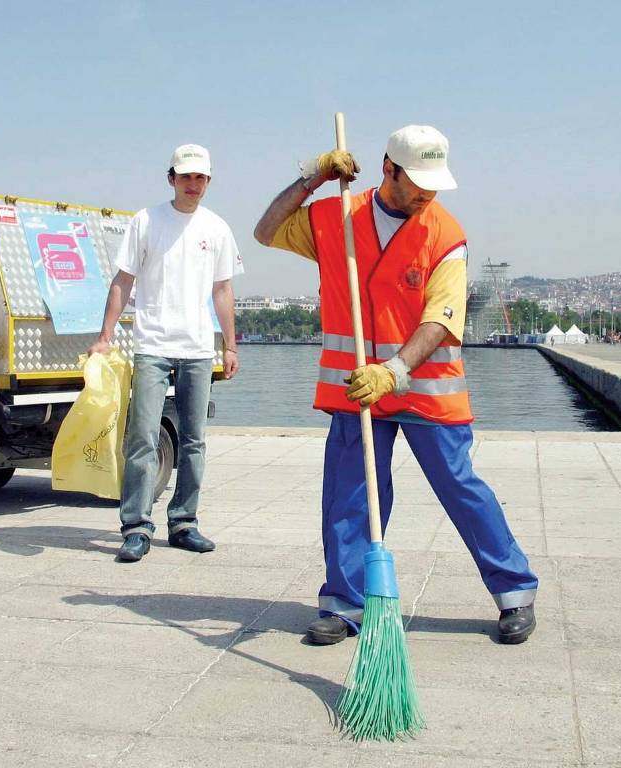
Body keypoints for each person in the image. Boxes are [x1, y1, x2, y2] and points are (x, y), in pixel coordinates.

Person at [254, 125, 538, 645]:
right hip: (357, 388)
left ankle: (515, 591)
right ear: (389, 169)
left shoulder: (445, 234)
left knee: (460, 487)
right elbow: (266, 230)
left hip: (424, 386)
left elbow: (441, 320)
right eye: (419, 182)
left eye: (436, 183)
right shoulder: (337, 217)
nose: (429, 193)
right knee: (350, 495)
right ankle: (344, 604)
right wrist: (312, 176)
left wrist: (394, 371)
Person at [90, 143, 243, 562]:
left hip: (197, 347)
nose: (193, 185)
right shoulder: (146, 221)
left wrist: (229, 345)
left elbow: (223, 290)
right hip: (152, 344)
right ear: (171, 178)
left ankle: (184, 522)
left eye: (200, 178)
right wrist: (106, 335)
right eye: (186, 177)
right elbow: (123, 280)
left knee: (195, 440)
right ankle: (136, 526)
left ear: (208, 181)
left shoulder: (217, 229)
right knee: (142, 437)